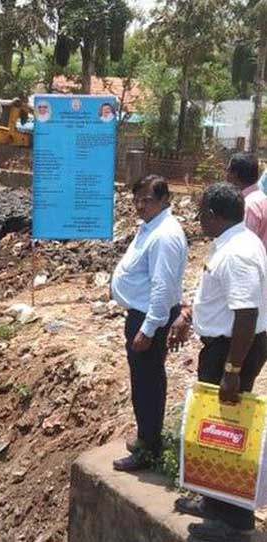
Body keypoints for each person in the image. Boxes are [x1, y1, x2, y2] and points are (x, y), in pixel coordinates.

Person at [169, 182, 267, 541]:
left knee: (230, 431)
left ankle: (234, 520)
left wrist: (231, 371)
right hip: (223, 346)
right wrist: (190, 315)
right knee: (215, 426)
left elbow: (245, 314)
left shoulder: (238, 251)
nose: (198, 221)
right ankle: (213, 502)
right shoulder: (231, 242)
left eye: (201, 214)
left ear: (214, 215)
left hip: (233, 351)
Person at [110, 175, 188, 471]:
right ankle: (148, 437)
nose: (140, 205)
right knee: (145, 381)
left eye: (148, 200)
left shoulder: (164, 234)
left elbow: (162, 287)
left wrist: (148, 329)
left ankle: (148, 449)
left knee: (146, 385)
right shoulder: (151, 227)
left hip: (149, 319)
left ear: (165, 200)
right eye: (137, 199)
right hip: (141, 315)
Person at [226, 152, 267, 247]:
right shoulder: (262, 199)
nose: (226, 175)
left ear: (234, 175)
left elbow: (244, 246)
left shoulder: (248, 206)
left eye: (228, 170)